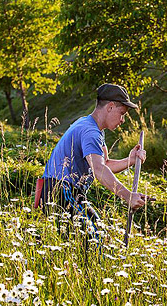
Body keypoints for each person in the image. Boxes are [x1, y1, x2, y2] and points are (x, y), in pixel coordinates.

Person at [38, 83, 154, 250]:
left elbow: (104, 163)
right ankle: (84, 274)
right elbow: (99, 170)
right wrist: (128, 196)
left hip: (69, 191)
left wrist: (130, 160)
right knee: (91, 243)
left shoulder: (93, 128)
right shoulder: (90, 131)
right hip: (60, 190)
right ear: (110, 107)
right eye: (122, 114)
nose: (122, 120)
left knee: (96, 231)